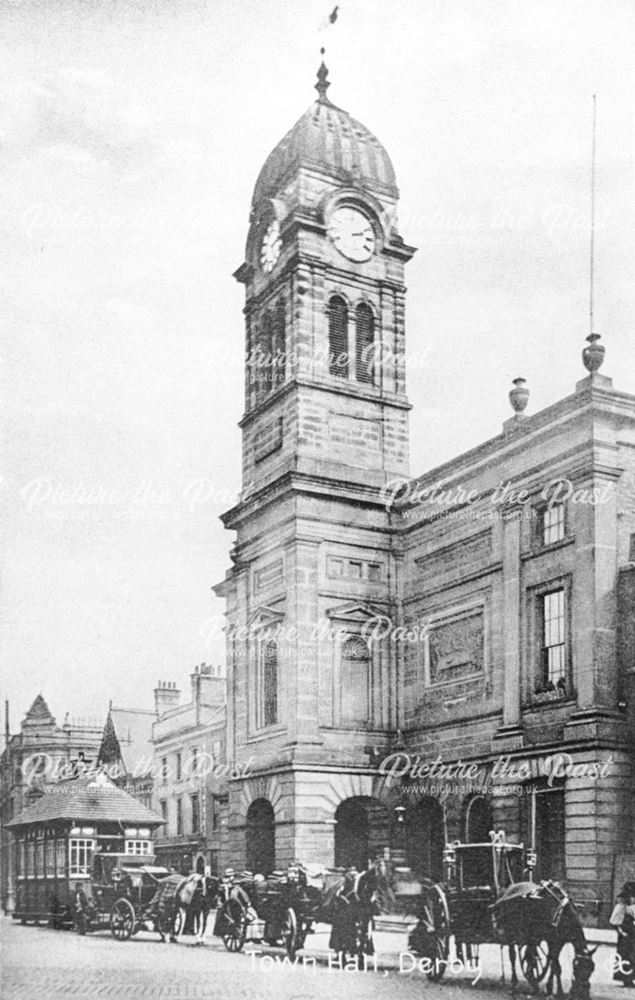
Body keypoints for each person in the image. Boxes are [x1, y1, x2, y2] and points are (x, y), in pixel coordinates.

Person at [610, 882, 635, 987]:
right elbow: (614, 921)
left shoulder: (632, 907)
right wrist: (621, 932)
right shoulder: (622, 906)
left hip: (632, 934)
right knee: (625, 956)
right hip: (626, 935)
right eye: (631, 896)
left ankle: (631, 978)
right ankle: (626, 979)